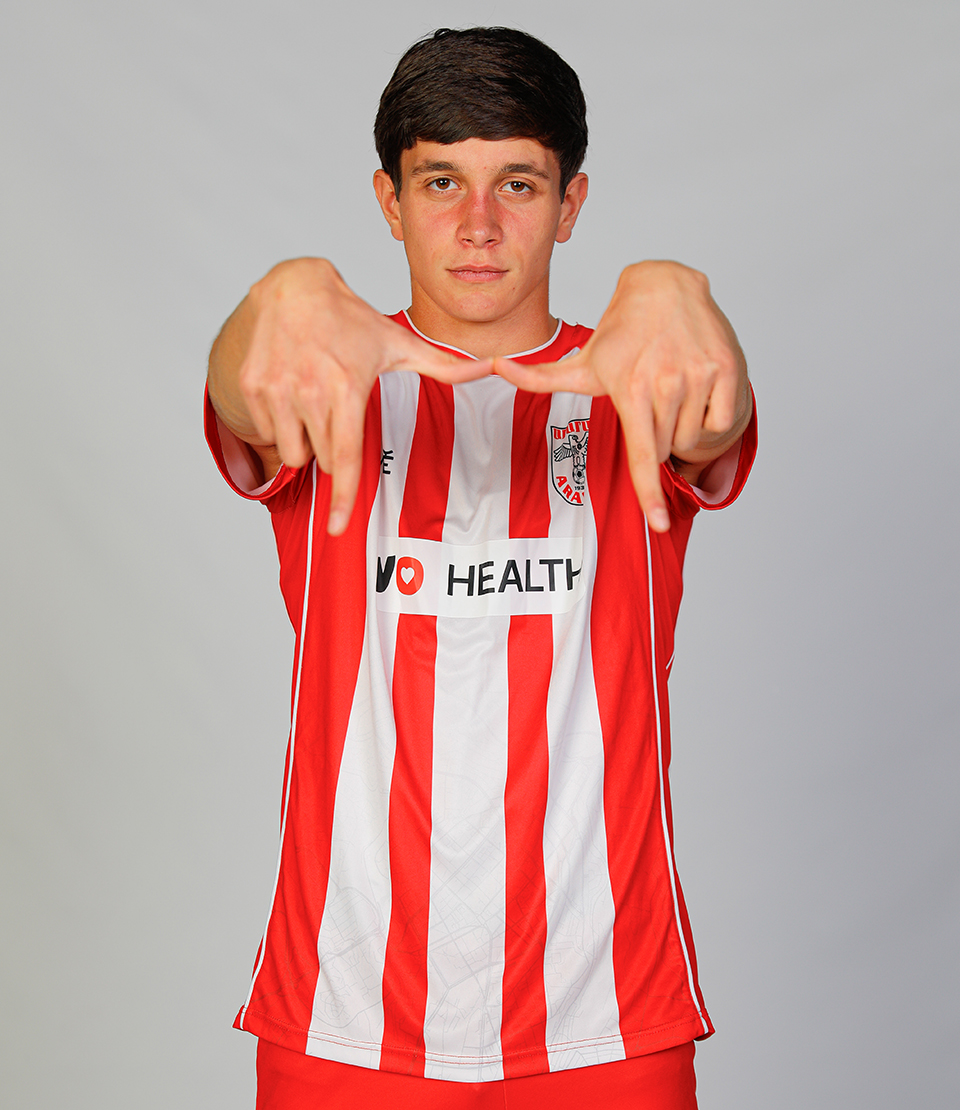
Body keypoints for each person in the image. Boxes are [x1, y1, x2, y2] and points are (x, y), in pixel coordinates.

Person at [206, 26, 756, 1110]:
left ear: (571, 203)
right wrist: (276, 296)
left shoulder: (641, 378)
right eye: (440, 181)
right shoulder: (321, 380)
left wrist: (679, 292)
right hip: (345, 1015)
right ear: (388, 199)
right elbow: (244, 386)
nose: (478, 224)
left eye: (518, 183)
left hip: (608, 1016)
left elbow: (714, 407)